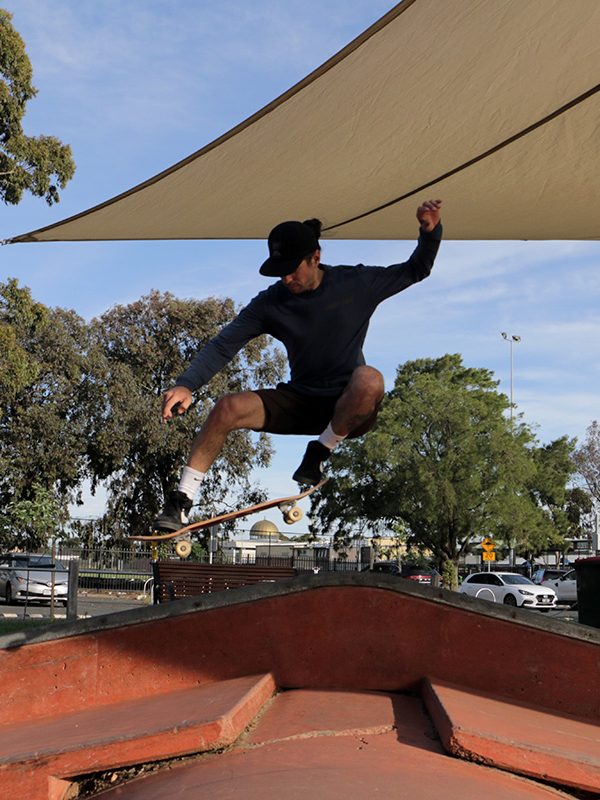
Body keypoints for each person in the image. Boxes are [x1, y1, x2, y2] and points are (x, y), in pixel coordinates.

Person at [153, 199, 443, 531]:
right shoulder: (270, 302)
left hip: (348, 405)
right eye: (281, 272)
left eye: (293, 269)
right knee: (227, 407)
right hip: (300, 399)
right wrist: (187, 383)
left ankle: (319, 453)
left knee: (370, 379)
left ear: (316, 257)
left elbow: (415, 270)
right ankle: (180, 502)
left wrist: (429, 232)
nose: (287, 279)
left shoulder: (356, 283)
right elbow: (223, 345)